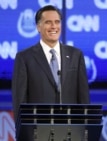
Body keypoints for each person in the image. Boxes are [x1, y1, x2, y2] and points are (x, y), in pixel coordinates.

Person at [12, 5, 90, 141]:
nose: (54, 26)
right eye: (48, 22)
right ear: (38, 27)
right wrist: (25, 135)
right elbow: (20, 102)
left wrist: (85, 132)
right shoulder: (25, 58)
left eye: (57, 22)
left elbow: (83, 99)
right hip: (38, 134)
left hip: (70, 133)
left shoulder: (75, 55)